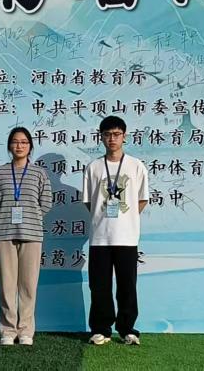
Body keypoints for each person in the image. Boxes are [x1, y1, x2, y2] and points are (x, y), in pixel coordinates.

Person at [82, 115, 149, 345]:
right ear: (101, 137)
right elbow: (89, 202)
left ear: (124, 136)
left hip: (127, 237)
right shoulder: (93, 167)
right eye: (107, 134)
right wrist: (103, 218)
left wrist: (125, 218)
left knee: (127, 285)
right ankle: (101, 329)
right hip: (100, 237)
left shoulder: (136, 166)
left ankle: (127, 329)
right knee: (99, 286)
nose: (112, 138)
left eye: (117, 134)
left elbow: (142, 200)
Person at [0, 126, 53, 346]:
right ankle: (7, 330)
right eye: (15, 141)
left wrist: (31, 217)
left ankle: (25, 331)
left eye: (24, 142)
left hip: (32, 234)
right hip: (3, 233)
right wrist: (3, 217)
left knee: (28, 285)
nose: (19, 146)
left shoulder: (39, 173)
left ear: (30, 146)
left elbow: (46, 203)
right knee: (6, 285)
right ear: (9, 146)